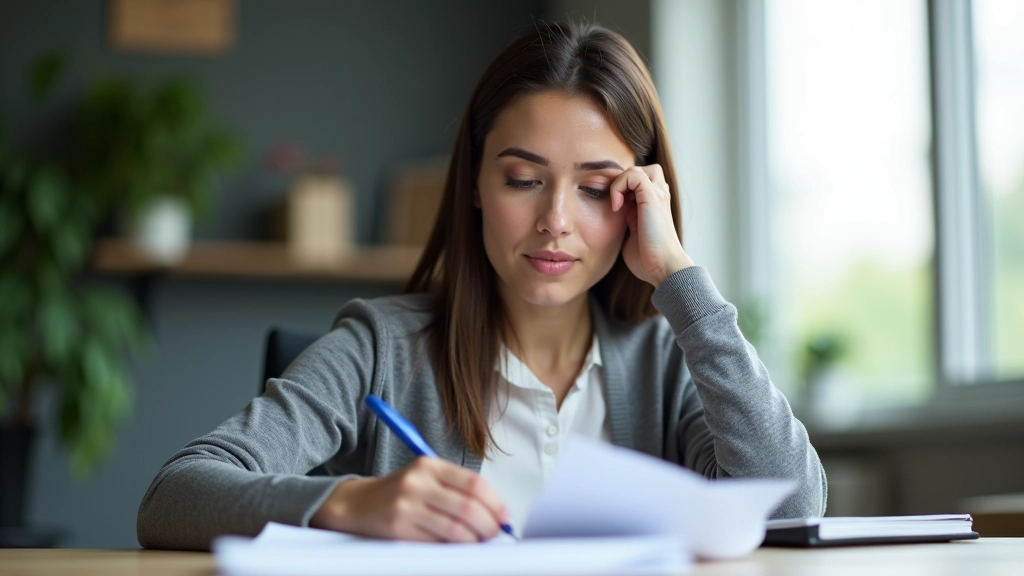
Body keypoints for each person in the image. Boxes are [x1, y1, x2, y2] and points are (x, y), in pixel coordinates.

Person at [137, 19, 826, 551]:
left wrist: (679, 278)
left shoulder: (670, 359)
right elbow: (173, 496)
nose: (555, 221)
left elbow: (793, 510)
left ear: (642, 198)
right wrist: (348, 505)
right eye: (523, 181)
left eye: (594, 189)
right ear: (473, 182)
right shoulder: (383, 349)